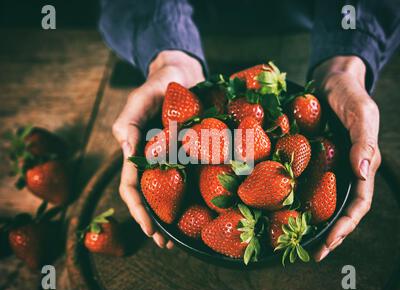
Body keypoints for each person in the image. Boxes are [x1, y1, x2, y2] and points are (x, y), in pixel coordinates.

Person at [99, 0, 400, 261]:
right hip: (183, 29)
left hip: (312, 32)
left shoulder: (260, 155)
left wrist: (346, 62)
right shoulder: (224, 145)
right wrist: (167, 51)